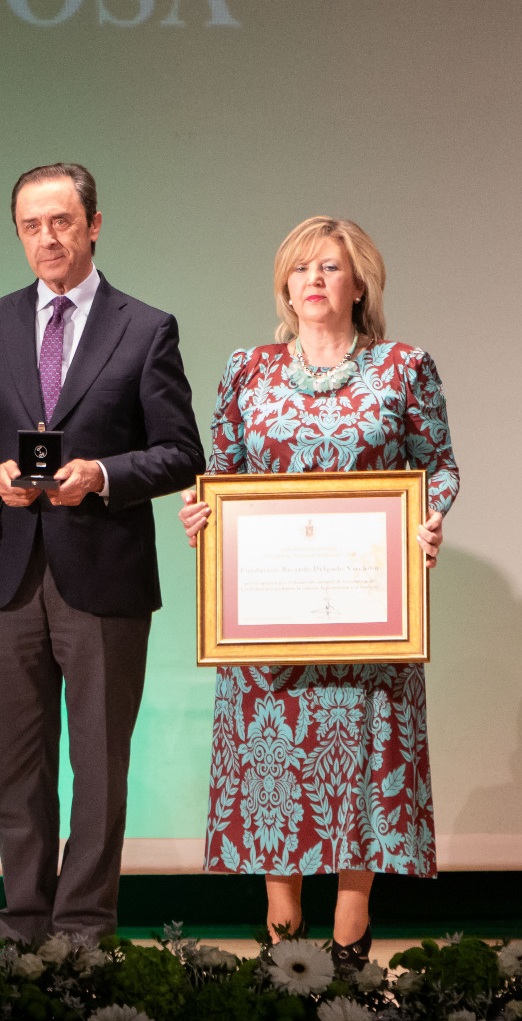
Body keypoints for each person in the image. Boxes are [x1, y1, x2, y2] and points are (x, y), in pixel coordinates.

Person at [178, 216, 457, 972]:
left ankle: (352, 934)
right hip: (269, 618)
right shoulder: (248, 369)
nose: (313, 280)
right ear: (285, 283)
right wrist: (203, 513)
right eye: (300, 268)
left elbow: (439, 469)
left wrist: (429, 519)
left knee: (361, 760)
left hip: (370, 615)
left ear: (358, 284)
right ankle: (282, 936)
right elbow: (222, 475)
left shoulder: (403, 367)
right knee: (275, 760)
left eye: (329, 267)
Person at [0, 163, 204, 942]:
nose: (47, 237)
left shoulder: (145, 327)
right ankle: (23, 929)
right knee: (15, 769)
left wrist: (101, 476)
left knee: (98, 768)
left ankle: (84, 934)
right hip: (6, 573)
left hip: (104, 575)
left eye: (61, 221)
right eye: (31, 225)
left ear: (93, 225)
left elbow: (181, 452)